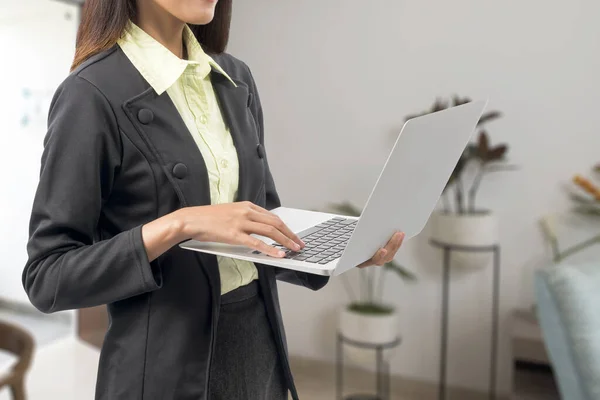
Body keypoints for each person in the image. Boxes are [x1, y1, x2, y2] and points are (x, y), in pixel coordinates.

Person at [22, 0, 405, 399]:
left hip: (258, 346)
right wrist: (179, 224)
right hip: (164, 371)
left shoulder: (236, 78)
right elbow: (47, 276)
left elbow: (261, 219)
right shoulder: (90, 94)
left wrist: (339, 251)